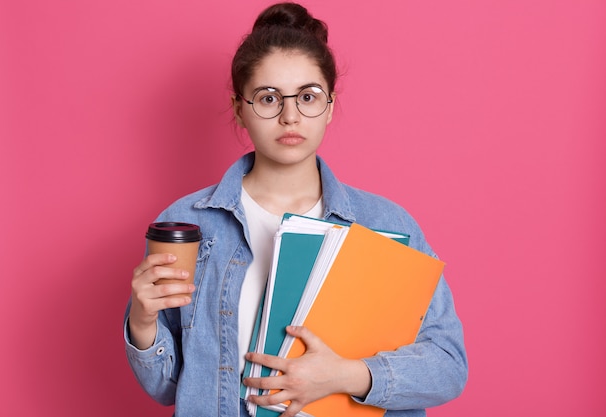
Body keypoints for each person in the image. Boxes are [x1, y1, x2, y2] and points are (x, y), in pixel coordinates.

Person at [124, 2, 467, 417]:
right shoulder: (190, 224)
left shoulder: (388, 225)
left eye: (308, 96)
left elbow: (448, 366)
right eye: (268, 98)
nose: (290, 116)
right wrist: (142, 324)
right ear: (240, 109)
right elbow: (166, 388)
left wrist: (346, 375)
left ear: (331, 106)